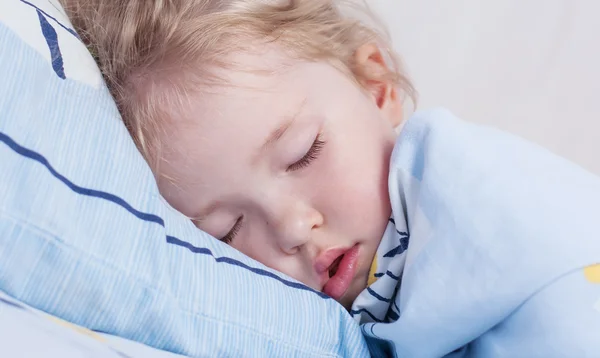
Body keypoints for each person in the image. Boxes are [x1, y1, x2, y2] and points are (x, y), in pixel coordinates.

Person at [62, 0, 600, 356]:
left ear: (377, 86)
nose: (294, 227)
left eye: (303, 154)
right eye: (228, 230)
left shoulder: (473, 190)